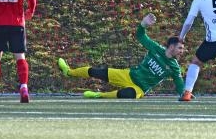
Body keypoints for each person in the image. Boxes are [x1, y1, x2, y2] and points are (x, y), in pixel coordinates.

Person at [57, 13, 186, 99]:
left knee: (128, 94)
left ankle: (99, 95)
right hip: (128, 75)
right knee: (97, 72)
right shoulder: (156, 48)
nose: (182, 51)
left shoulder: (174, 67)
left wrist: (185, 94)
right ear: (171, 46)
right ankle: (68, 72)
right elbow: (141, 36)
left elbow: (179, 84)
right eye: (180, 48)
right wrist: (143, 24)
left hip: (139, 88)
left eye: (182, 49)